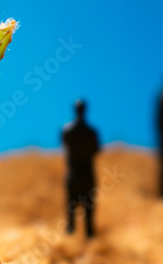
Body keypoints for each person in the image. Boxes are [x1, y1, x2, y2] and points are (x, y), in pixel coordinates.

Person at [62, 99, 100, 238]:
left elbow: (64, 145)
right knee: (89, 212)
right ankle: (88, 237)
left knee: (71, 212)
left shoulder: (67, 130)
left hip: (73, 174)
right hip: (87, 175)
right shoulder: (91, 132)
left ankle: (71, 237)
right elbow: (96, 150)